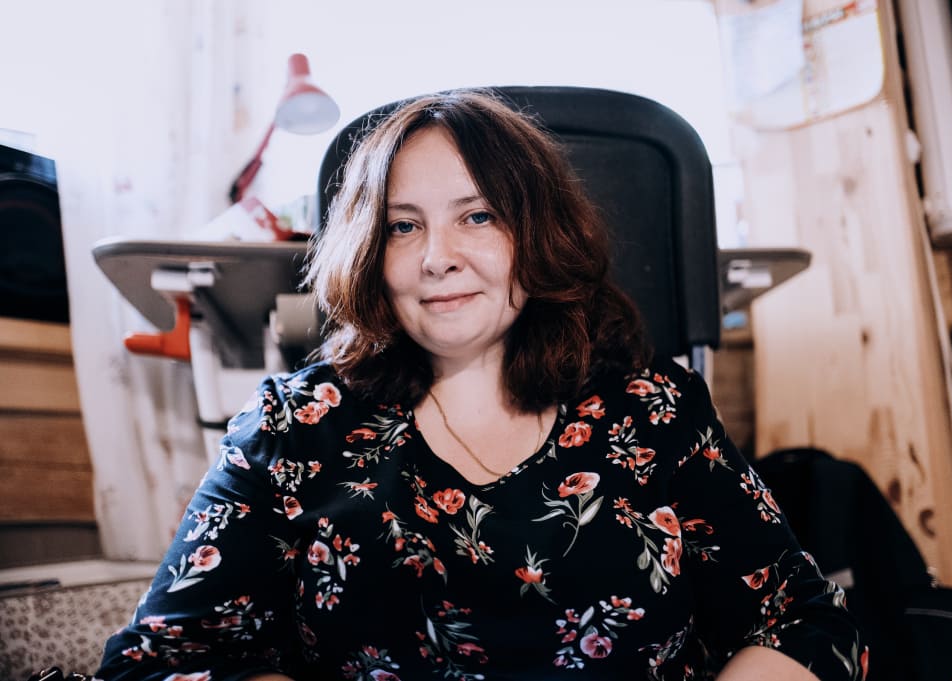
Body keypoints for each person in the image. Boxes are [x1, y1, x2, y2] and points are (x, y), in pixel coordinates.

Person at [95, 89, 866, 681]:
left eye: (478, 216)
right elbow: (156, 661)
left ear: (538, 234)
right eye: (403, 226)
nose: (437, 256)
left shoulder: (654, 411)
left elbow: (805, 622)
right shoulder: (292, 428)